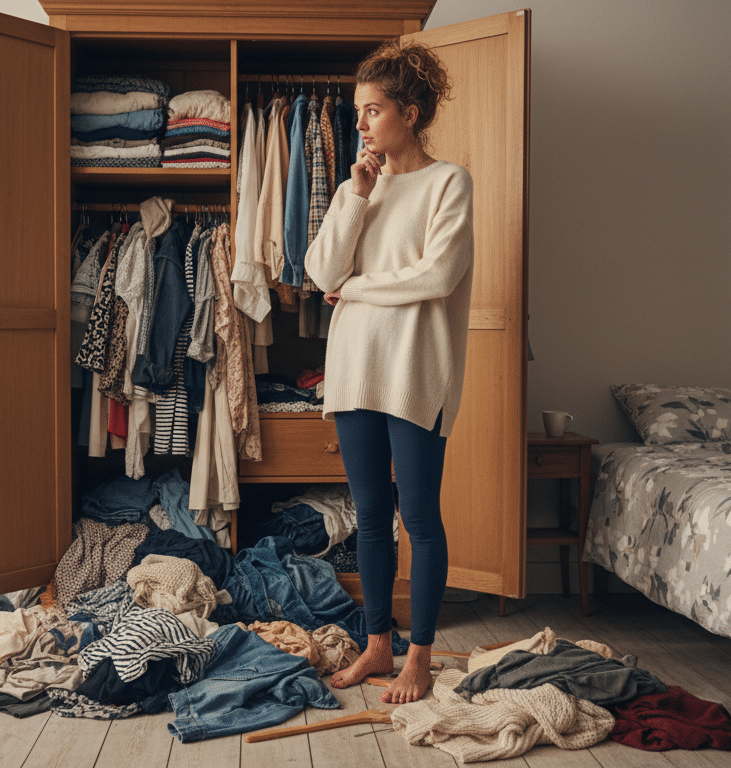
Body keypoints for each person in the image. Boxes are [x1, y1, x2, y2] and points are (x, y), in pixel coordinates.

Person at [303, 39, 473, 704]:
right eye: (358, 112)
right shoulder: (362, 187)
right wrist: (354, 195)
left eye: (373, 110)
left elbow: (438, 276)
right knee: (370, 518)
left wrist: (356, 289)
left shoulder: (448, 182)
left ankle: (419, 660)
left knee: (419, 518)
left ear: (409, 112)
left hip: (415, 373)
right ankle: (379, 646)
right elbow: (320, 271)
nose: (362, 123)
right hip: (353, 370)